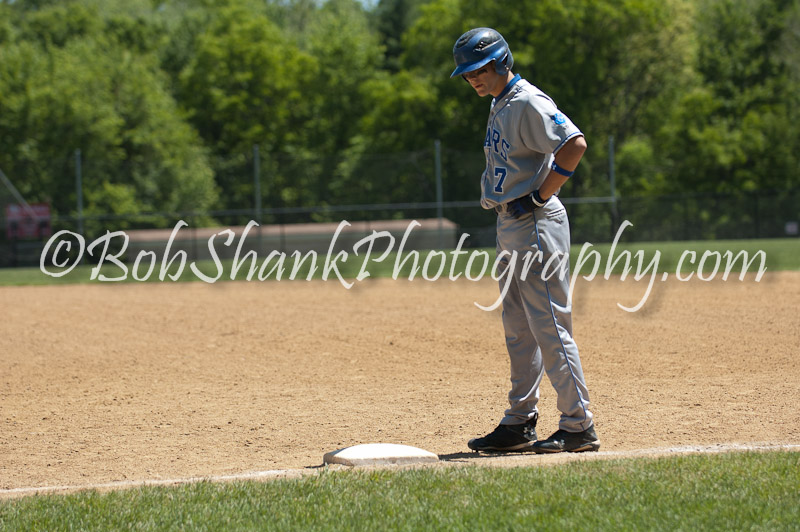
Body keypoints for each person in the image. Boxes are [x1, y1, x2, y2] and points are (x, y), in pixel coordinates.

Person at [451, 27, 599, 453]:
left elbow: (574, 144)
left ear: (500, 62)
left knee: (550, 325)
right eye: (466, 74)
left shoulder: (528, 101)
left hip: (534, 221)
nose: (473, 79)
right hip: (508, 223)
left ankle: (579, 425)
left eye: (479, 69)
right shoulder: (501, 103)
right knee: (518, 330)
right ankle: (519, 422)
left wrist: (539, 194)